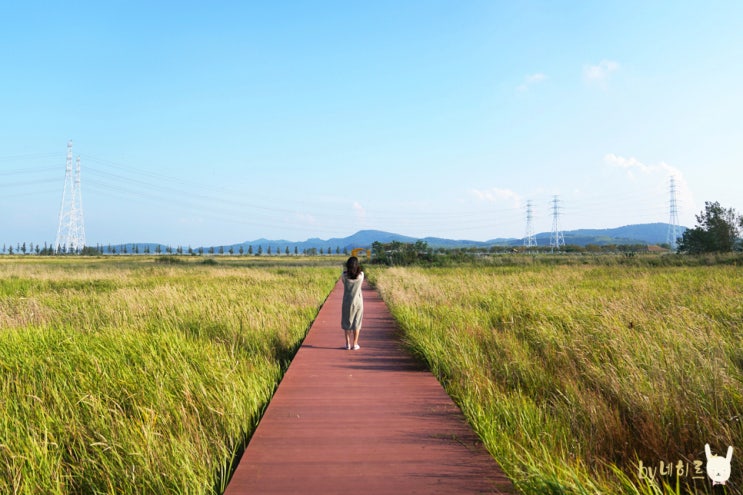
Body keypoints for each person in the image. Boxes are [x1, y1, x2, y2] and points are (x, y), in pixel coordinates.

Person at [341, 256, 364, 350]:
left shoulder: (344, 277)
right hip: (358, 302)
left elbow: (343, 278)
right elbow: (361, 272)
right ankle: (355, 344)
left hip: (347, 301)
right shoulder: (361, 276)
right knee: (357, 323)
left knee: (347, 323)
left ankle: (347, 344)